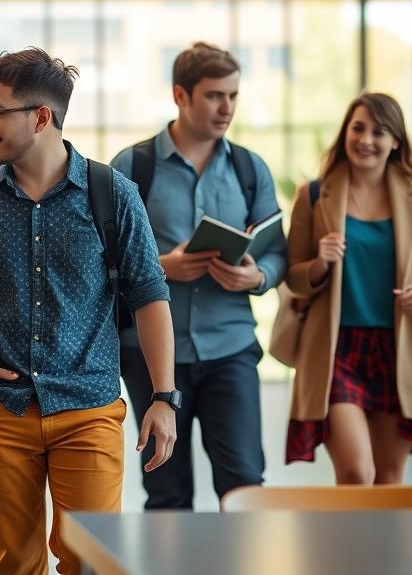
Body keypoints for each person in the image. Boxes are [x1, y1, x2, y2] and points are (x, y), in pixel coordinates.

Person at [0, 48, 176, 575]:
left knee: (93, 561)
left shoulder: (113, 194)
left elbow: (149, 295)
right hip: (0, 409)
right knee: (14, 564)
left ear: (40, 117)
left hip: (88, 408)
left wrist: (164, 396)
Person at [110, 42, 287, 510]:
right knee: (166, 490)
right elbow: (96, 261)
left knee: (246, 484)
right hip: (149, 357)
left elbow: (278, 252)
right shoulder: (132, 168)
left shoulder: (251, 169)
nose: (226, 107)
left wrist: (258, 277)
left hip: (231, 348)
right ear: (180, 95)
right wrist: (161, 268)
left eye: (232, 95)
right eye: (214, 96)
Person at [284, 92, 412, 485]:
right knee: (355, 472)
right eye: (358, 128)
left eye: (379, 132)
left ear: (396, 140)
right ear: (345, 132)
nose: (366, 139)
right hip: (335, 348)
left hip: (399, 348)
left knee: (390, 476)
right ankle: (350, 550)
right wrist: (319, 263)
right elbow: (292, 277)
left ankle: (385, 550)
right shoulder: (313, 196)